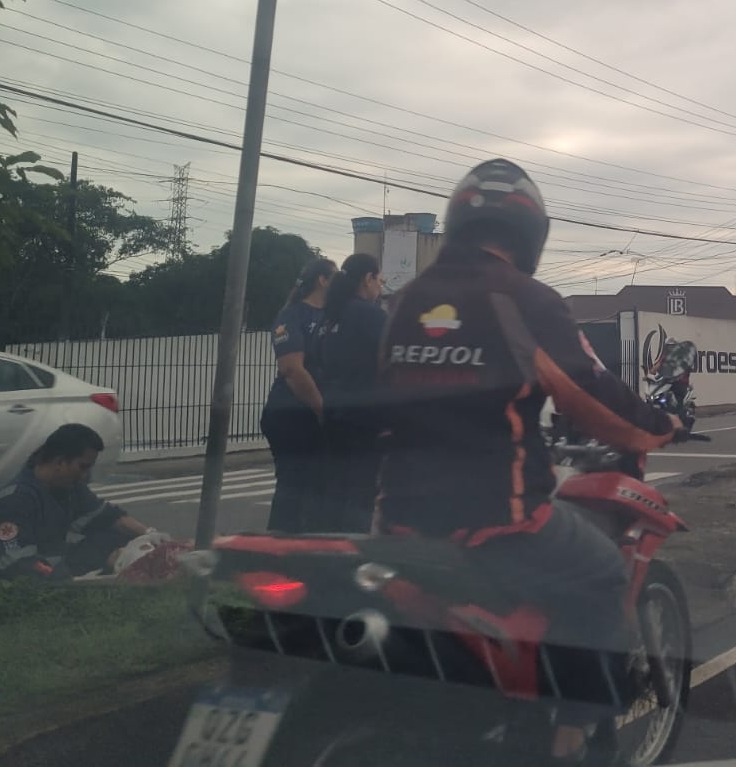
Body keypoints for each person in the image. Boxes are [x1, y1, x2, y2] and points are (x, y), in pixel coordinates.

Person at [374, 159, 679, 762]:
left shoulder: (405, 301)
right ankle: (572, 740)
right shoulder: (523, 297)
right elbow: (589, 391)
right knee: (601, 576)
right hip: (496, 520)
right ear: (531, 233)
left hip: (399, 524)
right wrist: (657, 426)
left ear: (458, 220)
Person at [0, 423, 157, 582]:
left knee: (114, 537)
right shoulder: (14, 501)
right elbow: (19, 564)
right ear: (60, 462)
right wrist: (74, 582)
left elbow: (110, 517)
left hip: (47, 562)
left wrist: (153, 537)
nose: (86, 475)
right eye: (82, 467)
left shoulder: (69, 488)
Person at [313, 252, 388, 532]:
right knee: (361, 493)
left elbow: (318, 362)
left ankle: (329, 551)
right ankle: (352, 555)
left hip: (333, 413)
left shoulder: (329, 317)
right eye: (379, 281)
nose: (380, 288)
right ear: (368, 279)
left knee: (337, 491)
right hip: (366, 418)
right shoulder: (370, 315)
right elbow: (391, 361)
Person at [261, 257, 335, 532]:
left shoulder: (332, 315)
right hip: (291, 414)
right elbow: (292, 369)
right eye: (335, 276)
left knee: (318, 489)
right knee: (293, 486)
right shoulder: (293, 315)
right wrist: (322, 410)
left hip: (317, 416)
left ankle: (309, 551)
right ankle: (277, 552)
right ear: (322, 280)